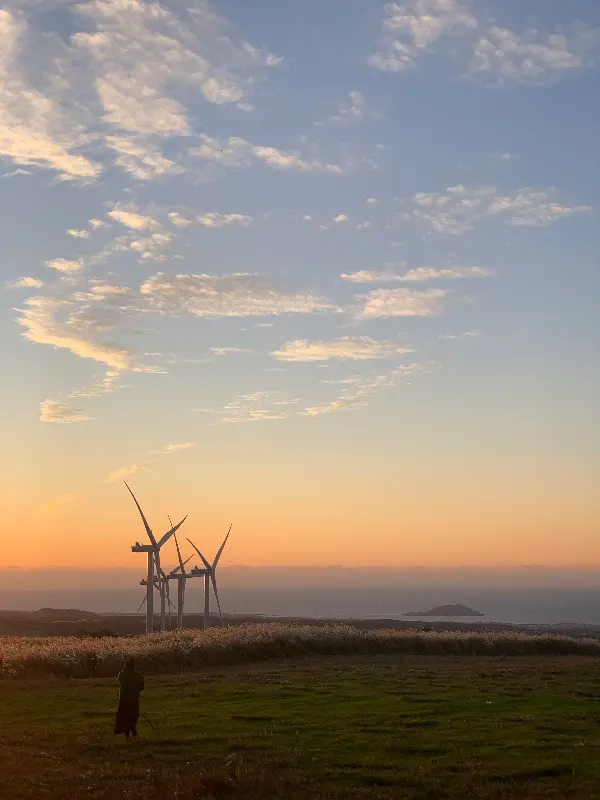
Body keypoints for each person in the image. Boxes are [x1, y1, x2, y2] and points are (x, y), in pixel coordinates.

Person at [114, 658, 144, 740]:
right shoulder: (139, 676)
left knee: (124, 717)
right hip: (134, 699)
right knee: (133, 715)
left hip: (124, 699)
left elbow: (120, 681)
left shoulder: (122, 674)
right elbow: (142, 687)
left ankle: (127, 735)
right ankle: (133, 725)